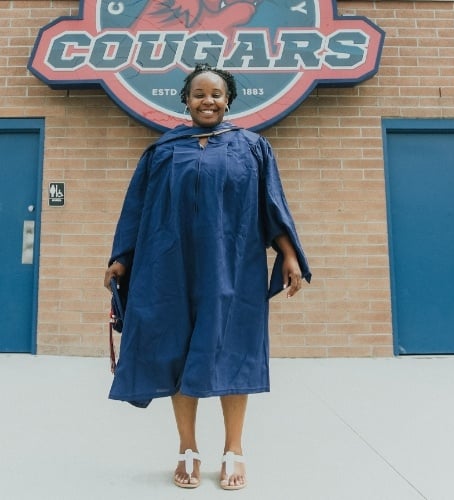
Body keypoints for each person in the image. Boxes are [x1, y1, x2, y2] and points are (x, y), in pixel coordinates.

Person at [103, 63, 311, 491]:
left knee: (234, 349)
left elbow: (272, 206)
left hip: (232, 268)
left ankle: (234, 448)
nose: (208, 100)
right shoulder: (162, 152)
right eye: (199, 93)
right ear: (185, 100)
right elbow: (136, 209)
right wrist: (122, 258)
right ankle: (188, 448)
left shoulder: (253, 148)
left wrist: (289, 254)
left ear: (229, 99)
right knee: (179, 350)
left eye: (216, 93)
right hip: (170, 268)